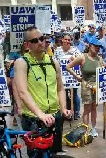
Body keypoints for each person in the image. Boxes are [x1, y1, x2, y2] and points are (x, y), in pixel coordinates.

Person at [14, 27, 71, 157]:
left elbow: (60, 88)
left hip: (54, 116)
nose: (40, 42)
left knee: (54, 152)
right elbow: (22, 92)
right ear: (27, 45)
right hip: (34, 119)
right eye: (35, 40)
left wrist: (63, 108)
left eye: (42, 38)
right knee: (37, 155)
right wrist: (40, 114)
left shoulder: (53, 61)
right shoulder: (22, 62)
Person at [66, 37, 104, 137]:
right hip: (86, 86)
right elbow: (68, 66)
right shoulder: (83, 57)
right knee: (87, 109)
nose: (97, 48)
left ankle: (94, 128)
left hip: (96, 87)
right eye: (96, 46)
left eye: (99, 47)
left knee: (94, 108)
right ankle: (85, 129)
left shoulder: (99, 58)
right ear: (90, 46)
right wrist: (77, 76)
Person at [53, 33, 81, 120]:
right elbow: (54, 61)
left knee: (75, 94)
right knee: (63, 94)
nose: (67, 41)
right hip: (62, 76)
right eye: (66, 39)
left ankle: (76, 112)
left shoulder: (75, 50)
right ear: (62, 40)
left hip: (72, 76)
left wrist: (74, 58)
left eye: (69, 40)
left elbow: (81, 58)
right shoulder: (57, 50)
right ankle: (65, 111)